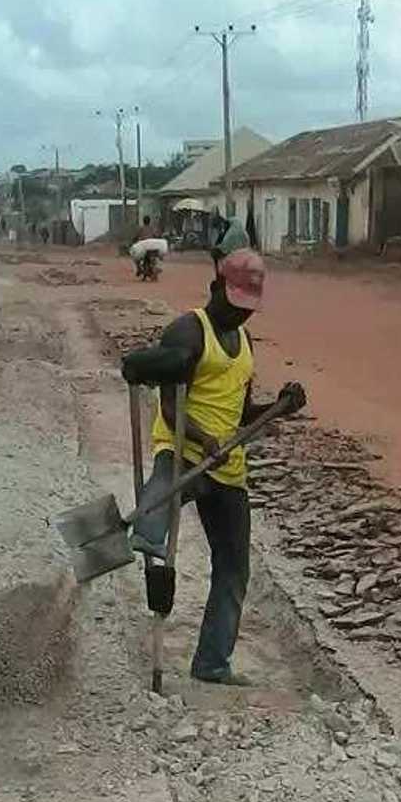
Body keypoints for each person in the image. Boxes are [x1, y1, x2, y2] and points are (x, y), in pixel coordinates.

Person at [132, 249, 305, 685]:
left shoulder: (245, 343)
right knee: (157, 503)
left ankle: (211, 663)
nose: (241, 317)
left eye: (248, 309)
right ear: (215, 288)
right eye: (235, 305)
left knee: (233, 568)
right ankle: (140, 537)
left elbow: (242, 413)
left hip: (228, 469)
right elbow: (170, 407)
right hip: (184, 450)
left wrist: (279, 408)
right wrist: (204, 441)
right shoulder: (189, 330)